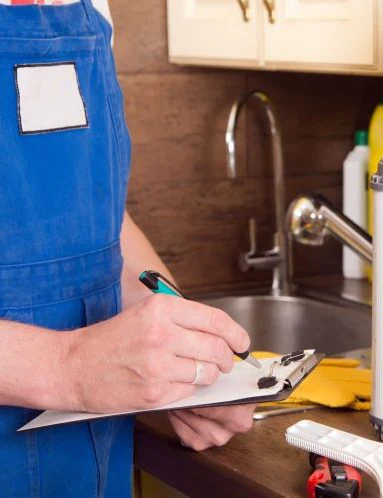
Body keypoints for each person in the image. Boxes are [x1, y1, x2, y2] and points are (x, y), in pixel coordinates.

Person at [0, 0, 259, 496]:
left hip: (90, 461)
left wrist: (185, 357)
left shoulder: (90, 10)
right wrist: (66, 366)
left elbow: (99, 222)